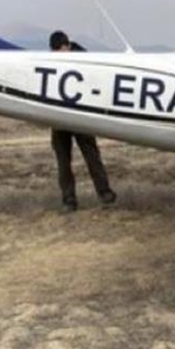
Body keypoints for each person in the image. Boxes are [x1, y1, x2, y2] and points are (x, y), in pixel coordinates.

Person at [49, 30, 117, 213]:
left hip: (81, 116)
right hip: (60, 118)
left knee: (92, 156)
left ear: (67, 46)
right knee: (63, 161)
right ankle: (69, 200)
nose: (59, 55)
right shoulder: (53, 62)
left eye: (60, 50)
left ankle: (105, 193)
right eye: (55, 52)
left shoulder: (85, 61)